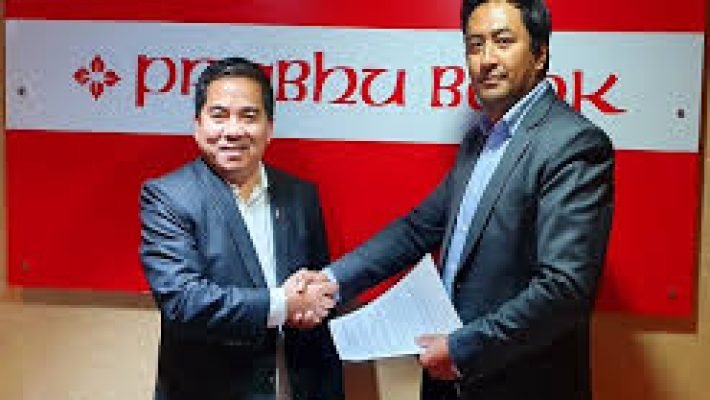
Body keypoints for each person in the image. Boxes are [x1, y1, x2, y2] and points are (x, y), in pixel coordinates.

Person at [322, 0, 614, 399]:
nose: (486, 59)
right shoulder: (481, 138)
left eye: (503, 41)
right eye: (475, 45)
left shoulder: (573, 144)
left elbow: (565, 290)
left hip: (518, 384)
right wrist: (330, 281)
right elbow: (418, 228)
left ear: (540, 54)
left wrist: (462, 349)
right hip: (447, 379)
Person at [140, 57, 343, 400]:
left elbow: (319, 289)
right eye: (219, 115)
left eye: (248, 116)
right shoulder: (168, 196)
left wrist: (312, 306)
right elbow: (183, 301)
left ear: (269, 128)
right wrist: (284, 304)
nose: (233, 131)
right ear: (197, 125)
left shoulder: (301, 195)